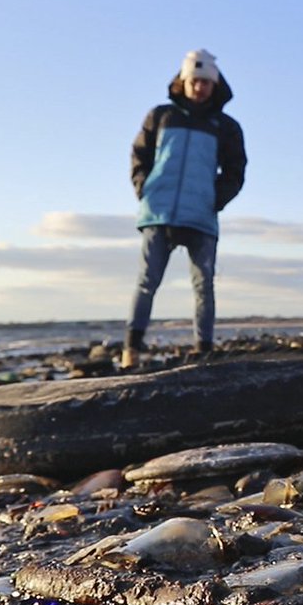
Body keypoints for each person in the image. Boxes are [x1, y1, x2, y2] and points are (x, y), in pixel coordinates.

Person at [123, 49, 247, 368]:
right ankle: (131, 350)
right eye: (194, 81)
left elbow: (236, 169)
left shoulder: (225, 126)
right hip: (158, 213)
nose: (199, 87)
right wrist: (145, 189)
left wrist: (215, 200)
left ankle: (203, 348)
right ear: (183, 80)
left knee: (203, 284)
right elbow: (139, 155)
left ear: (214, 85)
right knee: (147, 281)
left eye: (205, 82)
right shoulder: (160, 116)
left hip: (201, 217)